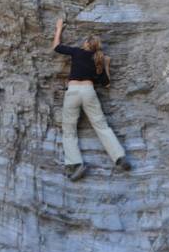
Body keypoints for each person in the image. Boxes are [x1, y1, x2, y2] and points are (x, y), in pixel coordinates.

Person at [52, 17, 131, 181]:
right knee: (101, 126)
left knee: (69, 130)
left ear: (86, 44)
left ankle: (75, 164)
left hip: (73, 91)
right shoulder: (98, 61)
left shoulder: (77, 52)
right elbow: (106, 84)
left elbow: (56, 47)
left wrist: (59, 28)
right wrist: (106, 65)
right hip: (89, 91)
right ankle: (119, 157)